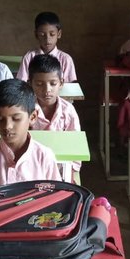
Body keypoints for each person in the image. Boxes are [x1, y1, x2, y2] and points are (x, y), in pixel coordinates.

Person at [0, 79, 62, 199]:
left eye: (16, 119)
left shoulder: (44, 156)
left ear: (33, 117)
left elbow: (53, 198)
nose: (7, 126)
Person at [28, 54, 81, 184]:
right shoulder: (25, 111)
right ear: (30, 83)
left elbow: (76, 146)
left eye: (53, 83)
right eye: (39, 84)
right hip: (32, 167)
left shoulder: (68, 111)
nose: (47, 90)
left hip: (61, 168)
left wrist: (71, 172)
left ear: (61, 83)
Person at [16, 11, 77, 82]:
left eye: (52, 34)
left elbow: (70, 86)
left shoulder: (65, 59)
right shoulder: (29, 57)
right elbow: (22, 84)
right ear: (36, 35)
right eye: (42, 35)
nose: (47, 39)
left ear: (59, 34)